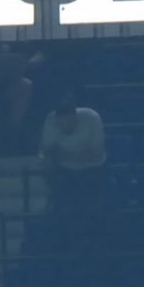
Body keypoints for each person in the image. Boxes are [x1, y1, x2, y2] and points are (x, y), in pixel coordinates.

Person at [38, 96, 108, 240]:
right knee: (63, 208)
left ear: (75, 116)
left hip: (93, 170)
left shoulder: (91, 118)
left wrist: (63, 155)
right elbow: (48, 152)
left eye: (68, 122)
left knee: (92, 208)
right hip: (65, 172)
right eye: (60, 123)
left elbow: (96, 154)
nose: (64, 126)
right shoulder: (50, 121)